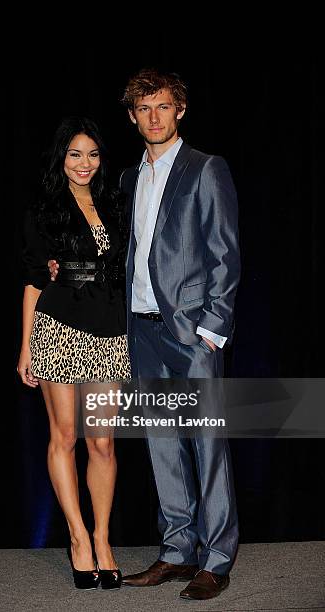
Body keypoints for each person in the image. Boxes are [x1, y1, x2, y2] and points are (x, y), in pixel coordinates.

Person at [118, 68, 240, 601]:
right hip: (140, 332)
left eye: (163, 106)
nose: (154, 117)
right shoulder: (127, 179)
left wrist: (213, 327)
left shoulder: (205, 169)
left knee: (207, 445)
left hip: (190, 335)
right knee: (161, 444)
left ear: (180, 110)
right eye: (144, 108)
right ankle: (176, 550)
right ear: (132, 116)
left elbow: (225, 251)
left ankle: (216, 557)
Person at [17, 116, 130, 590]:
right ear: (61, 158)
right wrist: (26, 346)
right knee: (64, 435)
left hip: (108, 333)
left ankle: (103, 537)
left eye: (93, 154)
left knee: (101, 441)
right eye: (75, 154)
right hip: (58, 329)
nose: (84, 164)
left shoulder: (116, 202)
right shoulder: (44, 209)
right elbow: (34, 279)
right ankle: (78, 537)